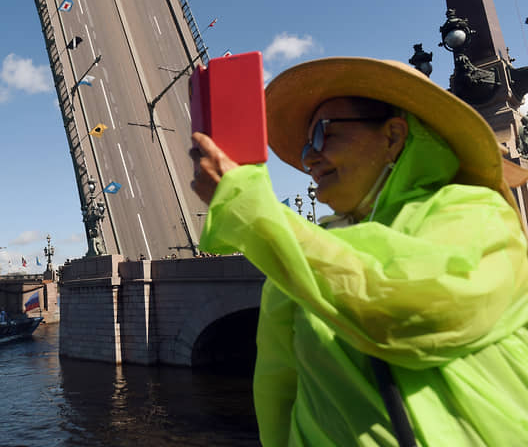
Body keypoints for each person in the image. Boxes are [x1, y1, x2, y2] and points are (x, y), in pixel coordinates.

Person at [191, 57, 528, 446]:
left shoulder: (478, 215)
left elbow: (414, 313)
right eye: (305, 147)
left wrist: (250, 211)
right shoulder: (302, 255)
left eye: (323, 135)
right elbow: (278, 398)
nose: (310, 158)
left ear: (393, 136)